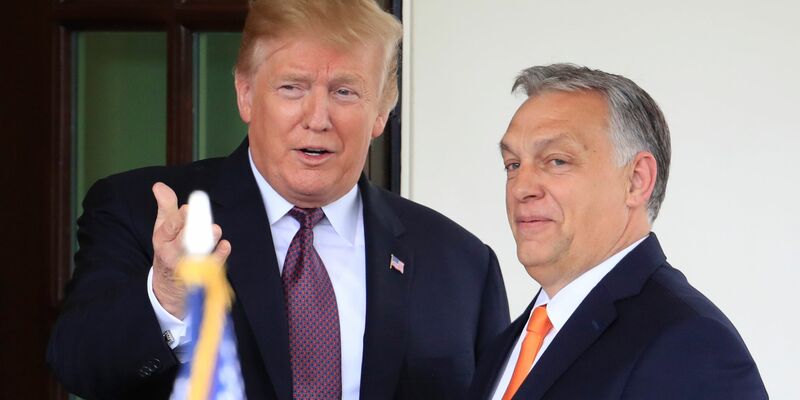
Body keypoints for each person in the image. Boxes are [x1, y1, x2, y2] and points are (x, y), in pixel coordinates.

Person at [46, 1, 510, 399]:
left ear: (382, 113)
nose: (317, 117)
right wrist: (168, 296)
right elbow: (79, 366)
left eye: (345, 92)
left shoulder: (461, 264)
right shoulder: (141, 211)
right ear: (245, 94)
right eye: (293, 87)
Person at [468, 64, 767, 400]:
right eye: (513, 165)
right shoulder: (505, 346)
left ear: (636, 180)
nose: (522, 187)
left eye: (557, 161)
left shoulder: (691, 344)